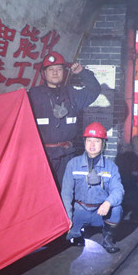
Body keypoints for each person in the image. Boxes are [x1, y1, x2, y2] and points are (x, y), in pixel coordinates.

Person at [29, 52, 101, 187]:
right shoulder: (34, 95)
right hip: (43, 155)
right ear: (44, 73)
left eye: (59, 69)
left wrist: (82, 73)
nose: (55, 72)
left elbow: (94, 90)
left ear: (64, 72)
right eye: (51, 69)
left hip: (67, 155)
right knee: (43, 190)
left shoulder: (72, 93)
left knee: (66, 191)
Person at [61, 122, 124, 254]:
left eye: (97, 141)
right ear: (84, 142)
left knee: (117, 209)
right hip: (79, 210)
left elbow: (118, 190)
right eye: (89, 140)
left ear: (103, 144)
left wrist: (108, 203)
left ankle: (107, 237)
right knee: (65, 238)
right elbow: (66, 193)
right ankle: (76, 234)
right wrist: (67, 216)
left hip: (100, 212)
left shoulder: (111, 167)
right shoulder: (73, 164)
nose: (92, 145)